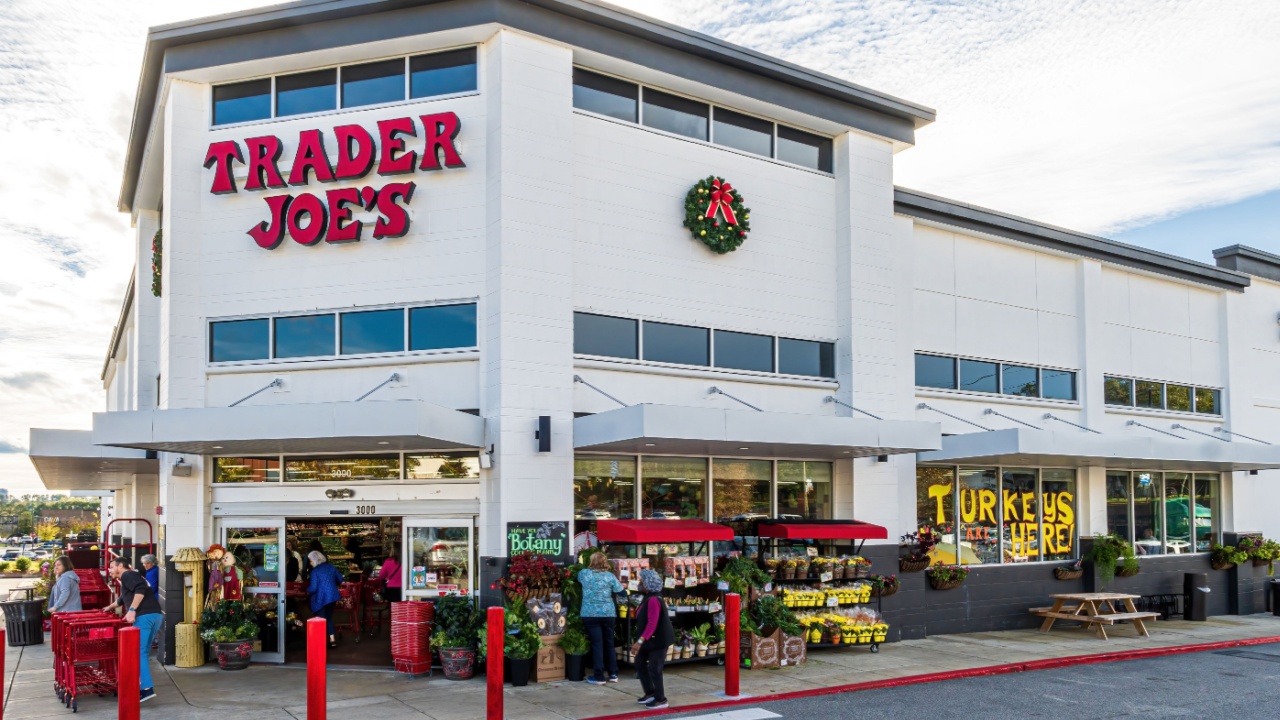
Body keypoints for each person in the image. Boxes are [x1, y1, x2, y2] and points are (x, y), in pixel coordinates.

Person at [104, 557, 163, 704]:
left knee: (138, 653)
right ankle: (143, 686)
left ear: (121, 566)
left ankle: (146, 689)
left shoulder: (127, 575)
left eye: (112, 566)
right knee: (142, 653)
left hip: (144, 617)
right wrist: (109, 607)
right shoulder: (132, 577)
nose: (109, 570)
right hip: (155, 615)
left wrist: (131, 610)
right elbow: (123, 599)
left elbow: (140, 590)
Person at [630, 569, 673, 709]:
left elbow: (652, 624)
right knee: (639, 662)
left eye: (641, 581)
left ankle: (661, 699)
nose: (639, 584)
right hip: (649, 639)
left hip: (658, 640)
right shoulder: (649, 596)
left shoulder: (654, 599)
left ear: (648, 584)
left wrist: (639, 642)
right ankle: (650, 692)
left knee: (655, 668)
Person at [577, 552, 623, 685]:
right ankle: (613, 673)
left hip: (590, 614)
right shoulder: (610, 576)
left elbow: (577, 579)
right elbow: (621, 592)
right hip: (608, 614)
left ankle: (599, 676)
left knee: (597, 644)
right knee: (609, 643)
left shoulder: (584, 573)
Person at [307, 551, 342, 648]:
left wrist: (306, 590)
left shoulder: (315, 572)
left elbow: (313, 588)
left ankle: (321, 642)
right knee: (329, 618)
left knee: (321, 621)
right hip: (332, 597)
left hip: (320, 599)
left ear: (314, 560)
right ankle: (332, 640)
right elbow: (340, 579)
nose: (310, 563)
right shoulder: (331, 567)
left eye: (310, 561)